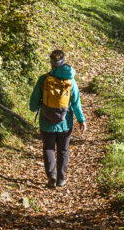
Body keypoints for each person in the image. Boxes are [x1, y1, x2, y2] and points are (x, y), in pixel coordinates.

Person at [28, 48, 86, 188]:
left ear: (51, 63)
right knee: (63, 150)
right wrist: (81, 119)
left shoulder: (44, 79)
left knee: (48, 148)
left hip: (46, 122)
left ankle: (51, 176)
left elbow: (33, 103)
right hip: (65, 123)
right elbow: (76, 102)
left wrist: (36, 108)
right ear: (64, 62)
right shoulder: (70, 81)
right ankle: (61, 179)